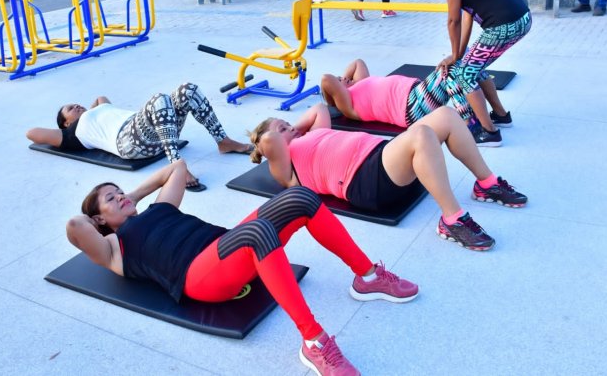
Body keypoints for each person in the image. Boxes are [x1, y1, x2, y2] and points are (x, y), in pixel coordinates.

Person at [69, 160, 418, 375]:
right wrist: (108, 217)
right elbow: (75, 226)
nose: (121, 197)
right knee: (258, 231)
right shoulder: (113, 248)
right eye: (110, 199)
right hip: (199, 277)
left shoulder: (160, 206)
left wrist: (130, 196)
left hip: (231, 249)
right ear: (99, 217)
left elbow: (176, 168)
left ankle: (368, 277)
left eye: (120, 192)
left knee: (303, 196)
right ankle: (314, 342)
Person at [251, 103, 529, 251]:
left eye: (289, 124)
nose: (291, 128)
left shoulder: (312, 134)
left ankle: (486, 184)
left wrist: (295, 129)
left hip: (382, 157)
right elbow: (270, 140)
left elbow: (319, 109)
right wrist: (281, 132)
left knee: (445, 115)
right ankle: (452, 220)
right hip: (364, 182)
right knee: (421, 135)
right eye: (284, 128)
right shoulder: (286, 170)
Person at [26, 83, 253, 191]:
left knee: (187, 90)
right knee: (159, 98)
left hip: (156, 129)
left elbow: (100, 96)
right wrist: (69, 125)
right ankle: (177, 166)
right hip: (129, 142)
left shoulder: (98, 110)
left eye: (76, 104)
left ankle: (223, 140)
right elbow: (32, 133)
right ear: (65, 122)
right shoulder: (72, 133)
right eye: (70, 109)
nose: (76, 106)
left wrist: (90, 108)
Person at [425, 0, 531, 145]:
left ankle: (489, 132)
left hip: (505, 24)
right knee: (473, 66)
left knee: (465, 74)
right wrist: (458, 54)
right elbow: (467, 17)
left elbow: (453, 20)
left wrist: (455, 57)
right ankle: (501, 116)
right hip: (521, 19)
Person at [321, 58, 513, 143]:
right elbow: (326, 79)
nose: (341, 78)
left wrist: (348, 80)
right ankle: (473, 128)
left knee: (467, 63)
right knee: (450, 72)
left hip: (418, 94)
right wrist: (335, 96)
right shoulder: (349, 106)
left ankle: (500, 115)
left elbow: (358, 62)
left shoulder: (359, 84)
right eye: (339, 81)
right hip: (411, 107)